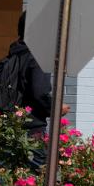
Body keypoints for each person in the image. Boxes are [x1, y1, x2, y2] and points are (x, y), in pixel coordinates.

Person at [6, 11, 67, 170]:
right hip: (31, 129)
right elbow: (40, 93)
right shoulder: (37, 56)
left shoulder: (14, 53)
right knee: (42, 179)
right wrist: (56, 107)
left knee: (2, 178)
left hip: (9, 126)